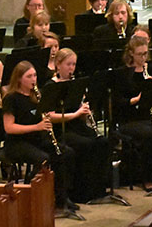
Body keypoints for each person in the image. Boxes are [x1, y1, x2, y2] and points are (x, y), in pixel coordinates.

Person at [2, 61, 77, 214]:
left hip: (36, 140)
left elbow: (46, 115)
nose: (33, 79)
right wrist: (36, 127)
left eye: (35, 75)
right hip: (17, 143)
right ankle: (30, 197)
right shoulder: (11, 98)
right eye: (29, 76)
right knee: (43, 159)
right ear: (19, 79)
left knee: (66, 153)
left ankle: (61, 196)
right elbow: (9, 127)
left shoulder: (37, 96)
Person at [44, 48, 111, 203]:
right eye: (68, 64)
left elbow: (79, 112)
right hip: (61, 130)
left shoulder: (75, 83)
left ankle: (98, 188)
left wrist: (85, 112)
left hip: (76, 126)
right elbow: (50, 116)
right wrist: (76, 114)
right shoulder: (51, 86)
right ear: (57, 65)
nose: (71, 68)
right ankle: (81, 192)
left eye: (74, 64)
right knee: (87, 144)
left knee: (103, 142)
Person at [111, 36, 152, 190]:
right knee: (148, 134)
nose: (144, 57)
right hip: (129, 119)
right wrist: (136, 99)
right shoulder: (123, 74)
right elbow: (117, 102)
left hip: (146, 116)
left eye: (146, 53)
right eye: (140, 54)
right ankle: (145, 177)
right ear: (131, 54)